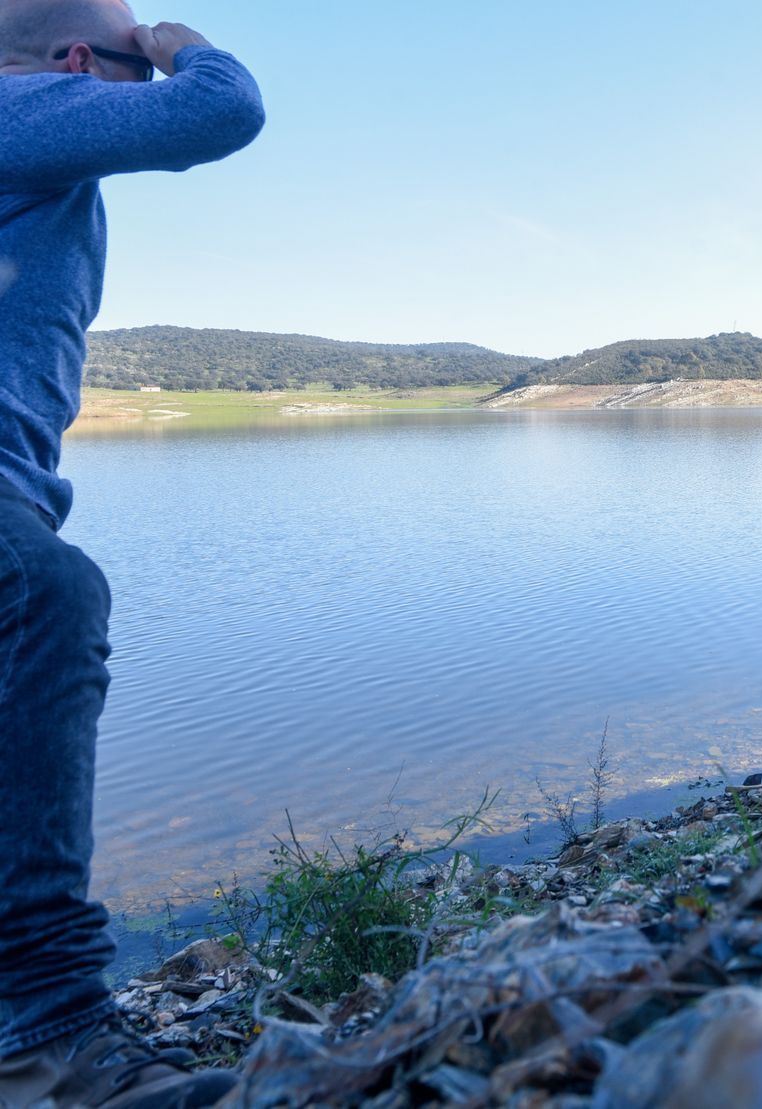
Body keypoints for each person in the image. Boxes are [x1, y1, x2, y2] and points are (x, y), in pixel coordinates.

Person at [0, 1, 263, 1104]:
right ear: (79, 65)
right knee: (50, 595)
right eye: (126, 76)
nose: (136, 104)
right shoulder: (23, 102)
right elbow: (223, 108)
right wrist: (172, 45)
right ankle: (48, 1044)